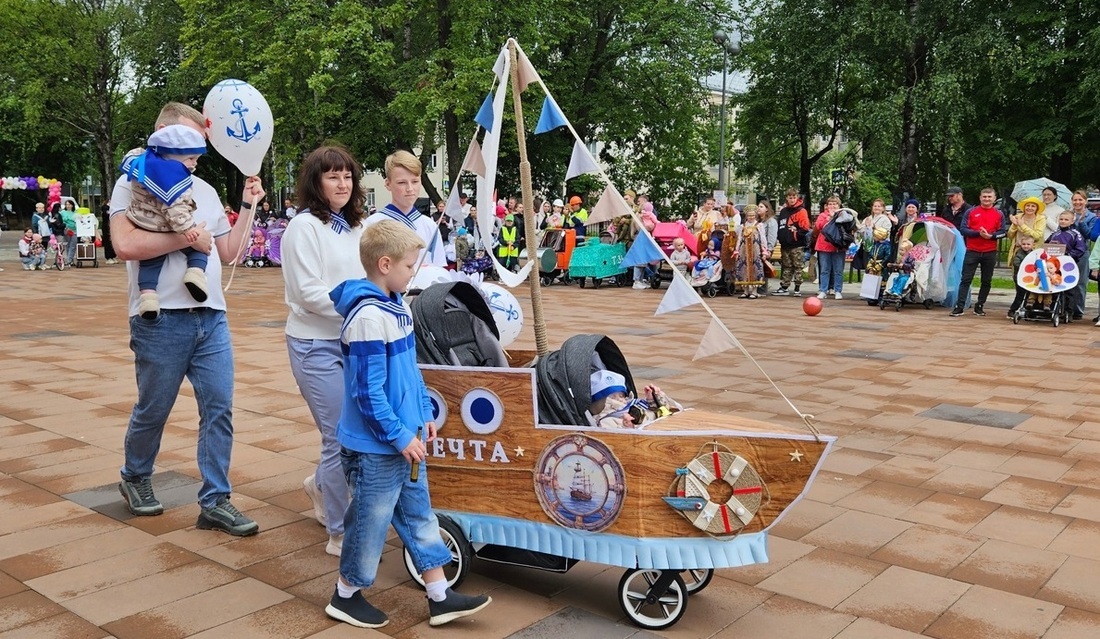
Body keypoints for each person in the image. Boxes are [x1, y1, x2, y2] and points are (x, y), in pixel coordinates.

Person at [325, 219, 492, 629]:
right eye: (409, 266)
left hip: (403, 440)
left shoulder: (395, 305)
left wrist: (423, 415)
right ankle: (345, 596)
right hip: (376, 448)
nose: (413, 272)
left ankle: (440, 595)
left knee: (420, 516)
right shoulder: (368, 317)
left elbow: (411, 371)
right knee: (369, 523)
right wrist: (400, 435)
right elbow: (368, 392)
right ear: (384, 264)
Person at [111, 101, 262, 536]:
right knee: (154, 408)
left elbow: (229, 251)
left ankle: (215, 500)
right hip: (159, 319)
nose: (196, 149)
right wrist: (186, 236)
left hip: (211, 315)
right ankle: (136, 475)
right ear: (163, 136)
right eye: (188, 139)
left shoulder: (206, 190)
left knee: (219, 408)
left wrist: (248, 206)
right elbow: (124, 244)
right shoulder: (131, 182)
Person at [282, 145, 368, 557]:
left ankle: (320, 486)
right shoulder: (304, 227)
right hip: (315, 343)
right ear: (316, 182)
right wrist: (362, 303)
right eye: (333, 176)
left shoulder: (357, 226)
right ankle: (339, 530)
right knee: (339, 437)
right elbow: (308, 291)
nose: (342, 183)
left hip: (356, 341)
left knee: (358, 431)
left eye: (347, 176)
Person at [118, 124, 211, 320]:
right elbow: (175, 210)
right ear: (173, 156)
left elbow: (132, 156)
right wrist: (189, 232)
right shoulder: (174, 179)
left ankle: (149, 298)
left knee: (149, 264)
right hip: (167, 226)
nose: (195, 164)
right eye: (191, 159)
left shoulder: (143, 163)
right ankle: (195, 273)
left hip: (143, 223)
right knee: (199, 249)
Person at [365, 150, 446, 267]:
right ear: (388, 184)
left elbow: (439, 271)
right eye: (402, 182)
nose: (410, 188)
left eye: (415, 181)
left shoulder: (430, 226)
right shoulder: (372, 225)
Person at [950, 187, 1006, 317]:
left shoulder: (999, 214)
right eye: (984, 197)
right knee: (966, 279)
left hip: (990, 252)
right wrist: (977, 233)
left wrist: (991, 236)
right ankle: (960, 306)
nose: (986, 199)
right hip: (972, 250)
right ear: (980, 198)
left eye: (989, 197)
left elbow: (1002, 232)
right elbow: (963, 229)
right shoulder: (971, 212)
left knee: (986, 281)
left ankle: (980, 305)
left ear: (994, 198)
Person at [589, 370, 679, 429]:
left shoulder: (635, 405)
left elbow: (663, 413)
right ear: (599, 404)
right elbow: (612, 440)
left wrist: (655, 400)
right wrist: (626, 427)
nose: (619, 400)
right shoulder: (606, 421)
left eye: (621, 395)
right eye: (612, 397)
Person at [1047, 210, 1087, 320]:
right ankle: (1053, 308)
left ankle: (1068, 312)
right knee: (1055, 286)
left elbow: (1080, 249)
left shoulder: (1075, 234)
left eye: (1066, 219)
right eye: (1061, 219)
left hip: (1068, 266)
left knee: (1069, 289)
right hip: (1055, 266)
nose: (1063, 221)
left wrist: (1068, 255)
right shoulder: (1055, 234)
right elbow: (1046, 246)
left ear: (1072, 221)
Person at [773, 189, 811, 296]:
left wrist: (796, 234)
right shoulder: (784, 211)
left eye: (794, 197)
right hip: (785, 244)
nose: (792, 200)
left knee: (798, 266)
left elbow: (805, 228)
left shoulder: (801, 211)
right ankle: (784, 286)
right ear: (787, 198)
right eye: (790, 197)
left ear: (797, 197)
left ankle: (797, 287)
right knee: (786, 265)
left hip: (796, 244)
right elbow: (781, 226)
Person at [1068, 190, 1095, 320]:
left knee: (1080, 282)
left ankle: (1078, 310)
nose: (1077, 202)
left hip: (1082, 253)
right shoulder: (1068, 214)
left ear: (1085, 201)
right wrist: (1070, 221)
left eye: (1080, 200)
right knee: (1066, 279)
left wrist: (1082, 222)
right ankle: (1066, 307)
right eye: (1075, 200)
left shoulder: (1091, 217)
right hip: (1068, 251)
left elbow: (1090, 235)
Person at [812, 195, 845, 299]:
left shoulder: (844, 215)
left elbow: (848, 226)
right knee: (824, 269)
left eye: (835, 204)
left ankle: (838, 290)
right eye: (830, 204)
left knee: (838, 270)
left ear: (839, 205)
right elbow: (818, 226)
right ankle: (823, 290)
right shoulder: (822, 215)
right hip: (824, 246)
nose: (832, 206)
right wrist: (828, 218)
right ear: (826, 206)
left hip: (839, 246)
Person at [734, 204, 767, 298]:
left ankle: (754, 291)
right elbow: (739, 238)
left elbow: (763, 238)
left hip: (755, 251)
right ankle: (745, 290)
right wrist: (736, 250)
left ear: (755, 215)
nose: (751, 217)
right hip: (744, 251)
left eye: (753, 215)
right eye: (749, 215)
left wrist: (764, 251)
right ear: (746, 216)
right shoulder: (742, 226)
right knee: (743, 268)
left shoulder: (759, 226)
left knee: (755, 268)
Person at [1007, 197, 1047, 273]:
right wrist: (1015, 225)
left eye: (1033, 206)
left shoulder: (1041, 219)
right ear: (1024, 207)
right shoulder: (1018, 217)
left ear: (1037, 208)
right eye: (1028, 205)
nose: (1030, 208)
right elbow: (1010, 236)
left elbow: (1037, 235)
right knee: (1017, 274)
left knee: (1032, 275)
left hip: (1033, 250)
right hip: (1018, 250)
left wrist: (1022, 225)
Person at [1007, 235, 1037, 317]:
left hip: (1030, 277)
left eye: (1028, 244)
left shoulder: (1034, 253)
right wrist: (1027, 266)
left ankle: (1027, 311)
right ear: (1021, 244)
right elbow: (1016, 264)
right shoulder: (1019, 253)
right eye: (1024, 244)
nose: (1026, 246)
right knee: (1020, 294)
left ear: (1033, 245)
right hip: (1020, 277)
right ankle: (1012, 310)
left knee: (1029, 294)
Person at [757, 201, 778, 294]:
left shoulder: (771, 221)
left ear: (767, 209)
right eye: (758, 206)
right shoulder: (757, 221)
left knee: (763, 268)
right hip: (756, 248)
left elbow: (772, 236)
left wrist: (769, 249)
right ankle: (756, 287)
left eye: (761, 206)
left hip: (765, 249)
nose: (759, 208)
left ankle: (762, 289)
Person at [62, 200, 79, 265]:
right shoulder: (63, 212)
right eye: (66, 204)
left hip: (75, 230)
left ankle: (69, 260)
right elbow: (61, 221)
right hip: (66, 230)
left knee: (73, 245)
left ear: (72, 205)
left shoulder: (76, 212)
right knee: (68, 245)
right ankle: (70, 260)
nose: (68, 206)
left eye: (69, 204)